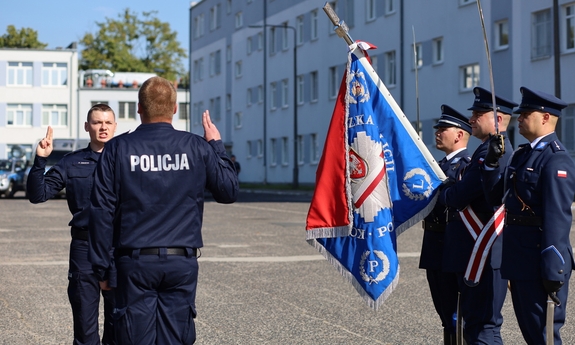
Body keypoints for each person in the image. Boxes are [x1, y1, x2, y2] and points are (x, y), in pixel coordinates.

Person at [88, 76, 239, 345]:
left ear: (139, 108)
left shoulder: (117, 149)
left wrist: (102, 269)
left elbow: (101, 212)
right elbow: (228, 191)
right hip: (180, 261)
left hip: (133, 264)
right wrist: (216, 144)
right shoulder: (196, 147)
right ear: (174, 108)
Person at [482, 87, 575, 345]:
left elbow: (557, 219)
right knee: (531, 335)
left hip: (539, 263)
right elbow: (495, 199)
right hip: (520, 260)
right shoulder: (522, 155)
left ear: (545, 117)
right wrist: (491, 164)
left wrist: (553, 268)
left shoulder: (556, 160)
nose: (519, 117)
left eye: (526, 113)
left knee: (544, 337)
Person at [27, 104, 118, 345]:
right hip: (84, 247)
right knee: (85, 328)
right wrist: (40, 161)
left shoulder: (127, 161)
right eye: (97, 122)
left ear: (115, 126)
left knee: (119, 325)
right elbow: (38, 195)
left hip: (119, 248)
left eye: (107, 122)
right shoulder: (72, 162)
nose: (103, 127)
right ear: (87, 127)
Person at [439, 87, 517, 345]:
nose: (471, 118)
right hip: (476, 251)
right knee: (474, 327)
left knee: (484, 328)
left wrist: (450, 189)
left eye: (478, 113)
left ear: (497, 119)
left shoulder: (494, 153)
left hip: (485, 252)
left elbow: (459, 196)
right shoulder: (485, 151)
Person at [419, 105, 472, 345]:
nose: (437, 132)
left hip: (452, 245)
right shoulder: (437, 166)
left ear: (459, 135)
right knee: (443, 312)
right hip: (434, 244)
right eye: (437, 128)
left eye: (443, 129)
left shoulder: (466, 167)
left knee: (456, 314)